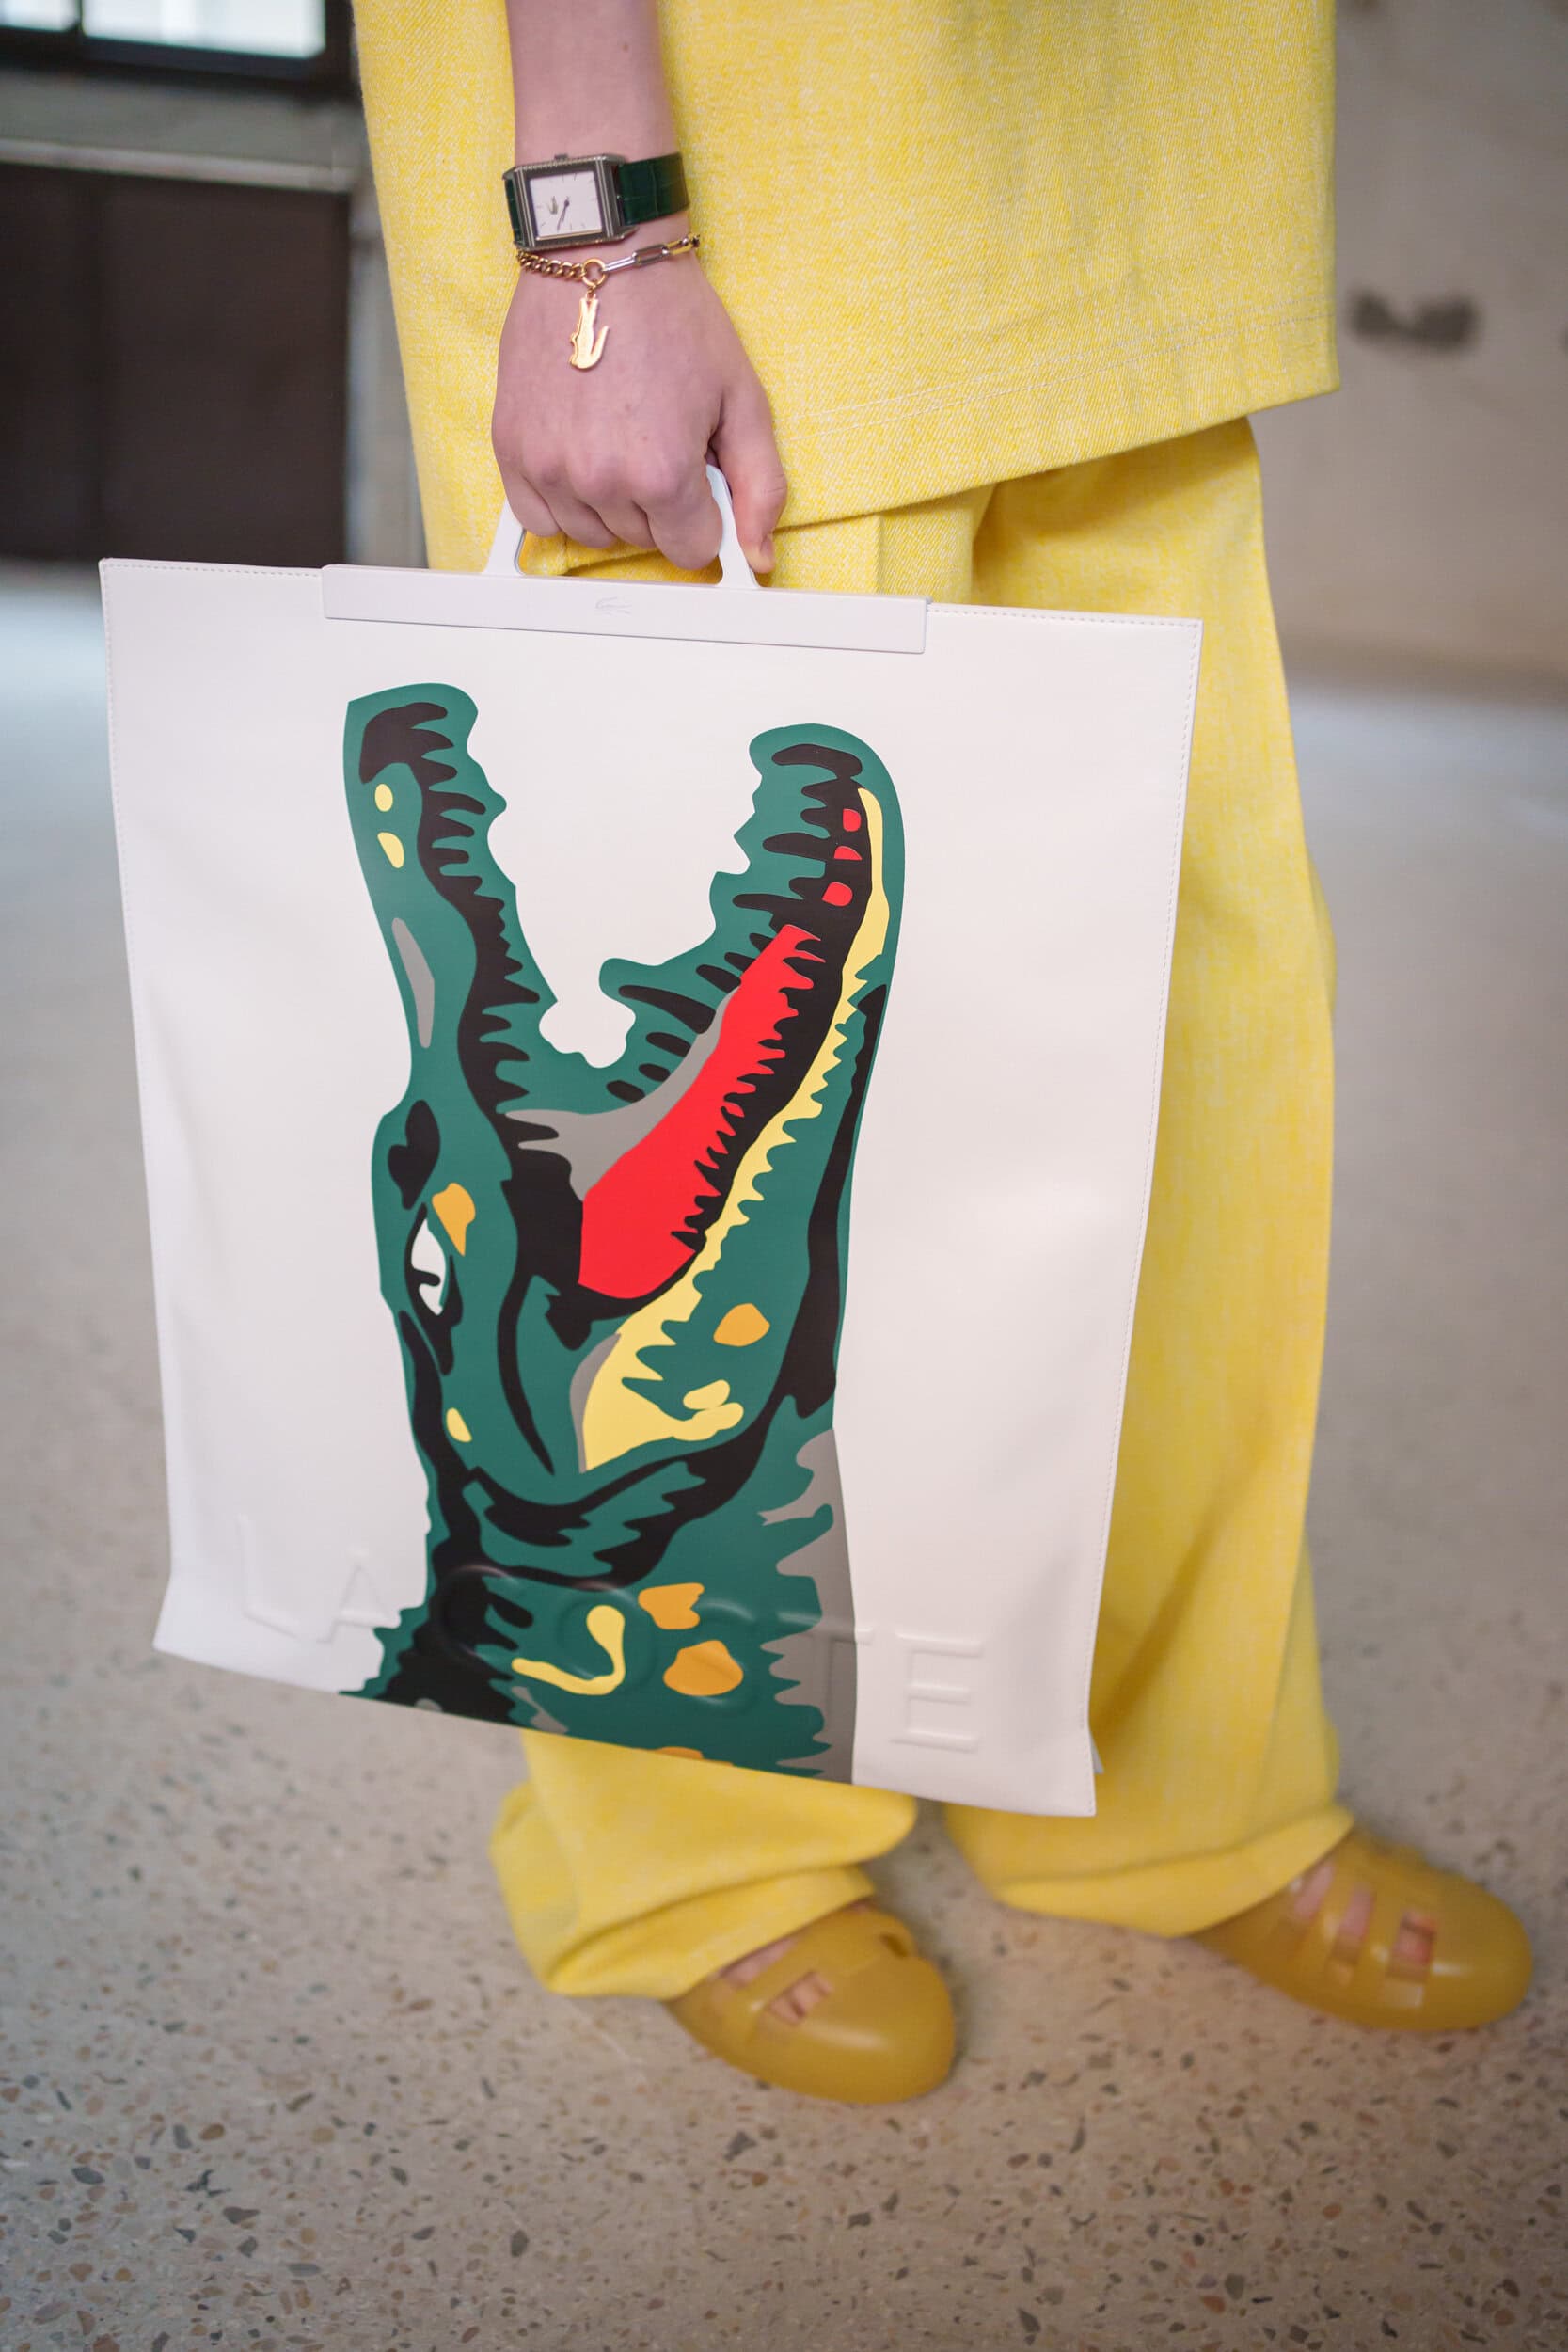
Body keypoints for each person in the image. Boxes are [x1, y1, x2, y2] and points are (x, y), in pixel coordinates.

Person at [351, 0, 1532, 2103]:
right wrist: (595, 219)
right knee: (649, 1118)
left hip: (1133, 176)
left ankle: (1161, 1777)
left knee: (1181, 1066)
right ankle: (702, 1843)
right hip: (747, 146)